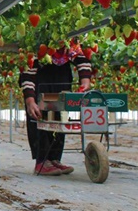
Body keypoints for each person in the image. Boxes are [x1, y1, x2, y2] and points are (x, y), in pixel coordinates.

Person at [19, 39, 92, 176]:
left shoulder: (68, 40)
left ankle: (54, 158)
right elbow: (28, 69)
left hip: (61, 81)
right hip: (41, 82)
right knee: (41, 118)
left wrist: (85, 80)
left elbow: (81, 57)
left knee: (61, 118)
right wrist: (30, 99)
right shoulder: (37, 40)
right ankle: (42, 161)